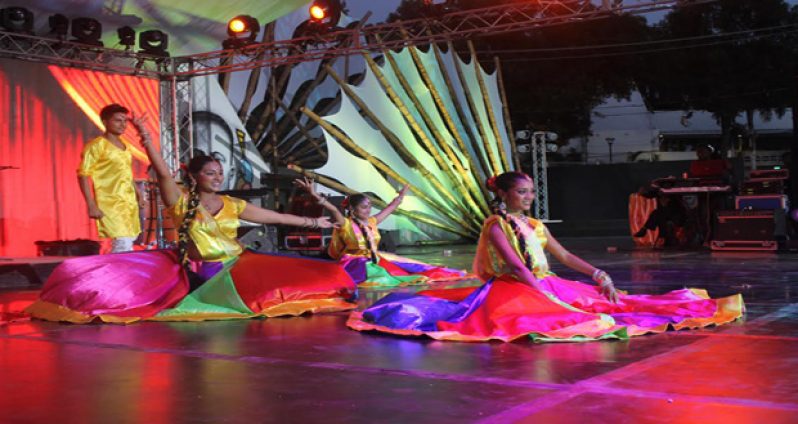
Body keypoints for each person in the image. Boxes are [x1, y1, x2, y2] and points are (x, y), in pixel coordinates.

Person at [26, 114, 356, 323]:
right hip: (201, 273)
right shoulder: (182, 203)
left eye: (219, 172)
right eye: (210, 173)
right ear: (195, 175)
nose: (217, 177)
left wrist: (315, 223)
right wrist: (148, 140)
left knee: (312, 276)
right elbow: (163, 174)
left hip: (237, 267)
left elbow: (277, 216)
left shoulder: (231, 204)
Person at [348, 172, 744, 342]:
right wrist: (542, 293)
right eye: (522, 192)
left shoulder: (535, 225)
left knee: (615, 303)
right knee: (563, 317)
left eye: (531, 192)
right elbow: (517, 266)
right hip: (513, 287)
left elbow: (565, 255)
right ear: (504, 195)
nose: (529, 197)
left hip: (545, 281)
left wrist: (598, 272)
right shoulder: (495, 224)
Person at [293, 178, 470, 287]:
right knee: (385, 277)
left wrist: (400, 197)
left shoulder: (372, 222)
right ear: (353, 210)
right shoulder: (345, 223)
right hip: (355, 261)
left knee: (411, 266)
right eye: (364, 207)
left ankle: (448, 273)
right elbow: (332, 209)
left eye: (369, 206)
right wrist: (315, 195)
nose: (368, 210)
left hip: (374, 257)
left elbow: (390, 208)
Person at [77, 104, 146, 252]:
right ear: (105, 121)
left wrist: (138, 194)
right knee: (122, 241)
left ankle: (118, 271)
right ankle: (120, 272)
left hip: (128, 202)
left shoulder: (125, 145)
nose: (123, 125)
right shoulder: (96, 146)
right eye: (117, 120)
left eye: (125, 121)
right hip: (110, 202)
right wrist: (91, 204)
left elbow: (127, 173)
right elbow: (83, 174)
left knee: (129, 239)